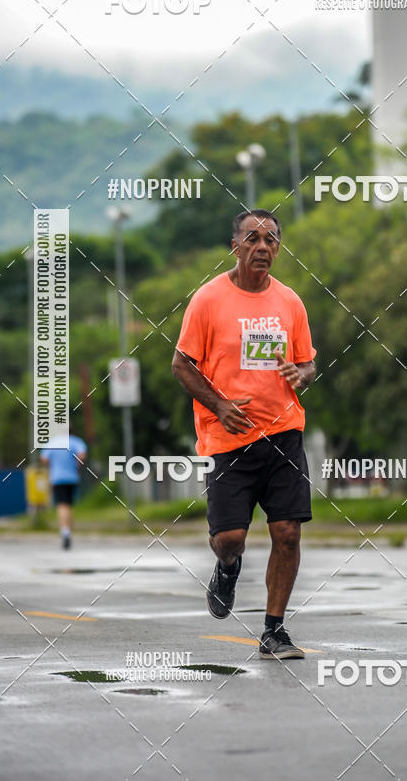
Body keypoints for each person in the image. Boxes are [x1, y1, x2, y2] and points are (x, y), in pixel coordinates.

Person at [172, 209, 316, 659]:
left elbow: (309, 361)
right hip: (229, 439)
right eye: (252, 239)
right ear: (234, 245)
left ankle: (274, 631)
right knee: (229, 538)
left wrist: (303, 373)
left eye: (271, 240)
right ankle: (227, 567)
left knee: (287, 532)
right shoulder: (209, 299)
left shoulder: (290, 302)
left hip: (283, 434)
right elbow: (181, 365)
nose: (263, 247)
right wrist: (218, 405)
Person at [40, 425, 87, 549]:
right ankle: (69, 530)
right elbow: (82, 455)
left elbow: (44, 458)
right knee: (69, 504)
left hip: (57, 477)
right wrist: (76, 464)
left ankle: (65, 531)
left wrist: (53, 465)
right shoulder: (76, 442)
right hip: (72, 477)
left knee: (61, 504)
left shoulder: (52, 443)